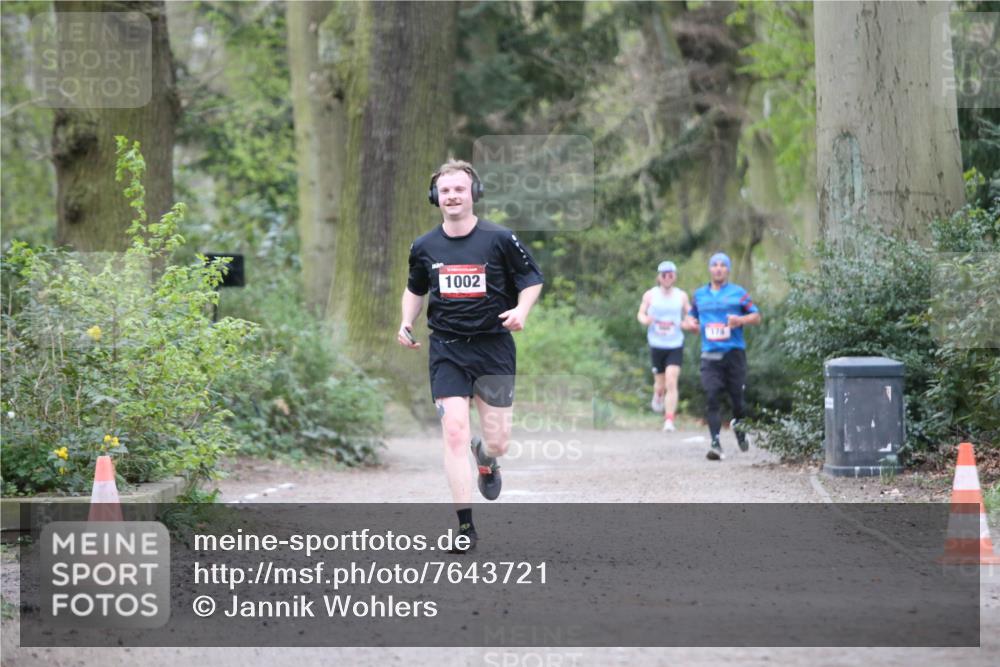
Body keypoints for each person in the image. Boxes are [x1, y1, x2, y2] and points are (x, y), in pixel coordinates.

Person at [397, 159, 544, 552]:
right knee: (455, 431)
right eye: (445, 191)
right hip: (447, 348)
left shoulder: (500, 239)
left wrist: (521, 311)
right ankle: (465, 528)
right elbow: (415, 288)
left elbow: (532, 279)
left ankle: (487, 458)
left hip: (493, 346)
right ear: (435, 197)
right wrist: (406, 322)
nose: (452, 196)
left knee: (498, 441)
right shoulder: (424, 246)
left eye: (459, 189)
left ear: (473, 194)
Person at [682, 252, 761, 460]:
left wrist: (739, 320)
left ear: (728, 270)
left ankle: (739, 429)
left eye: (722, 265)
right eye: (714, 265)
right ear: (710, 269)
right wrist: (689, 323)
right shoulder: (699, 295)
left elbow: (756, 316)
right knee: (711, 396)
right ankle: (716, 443)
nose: (718, 268)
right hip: (710, 355)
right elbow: (690, 317)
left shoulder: (738, 293)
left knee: (737, 401)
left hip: (734, 354)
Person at [636, 261, 690, 432]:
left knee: (671, 381)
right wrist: (645, 320)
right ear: (659, 276)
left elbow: (690, 315)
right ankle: (658, 394)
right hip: (657, 344)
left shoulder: (681, 296)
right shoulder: (650, 295)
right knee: (660, 384)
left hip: (675, 344)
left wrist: (688, 324)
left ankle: (669, 420)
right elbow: (641, 313)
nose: (667, 277)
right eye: (664, 274)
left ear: (675, 276)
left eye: (670, 274)